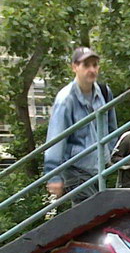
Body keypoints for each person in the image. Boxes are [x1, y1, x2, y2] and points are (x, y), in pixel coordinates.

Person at [43, 46, 118, 205]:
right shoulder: (65, 99)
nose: (92, 70)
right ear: (75, 67)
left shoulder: (104, 92)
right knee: (92, 212)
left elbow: (112, 126)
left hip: (99, 169)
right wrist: (53, 176)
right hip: (77, 169)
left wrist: (109, 153)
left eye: (95, 65)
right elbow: (55, 139)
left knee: (93, 214)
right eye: (86, 65)